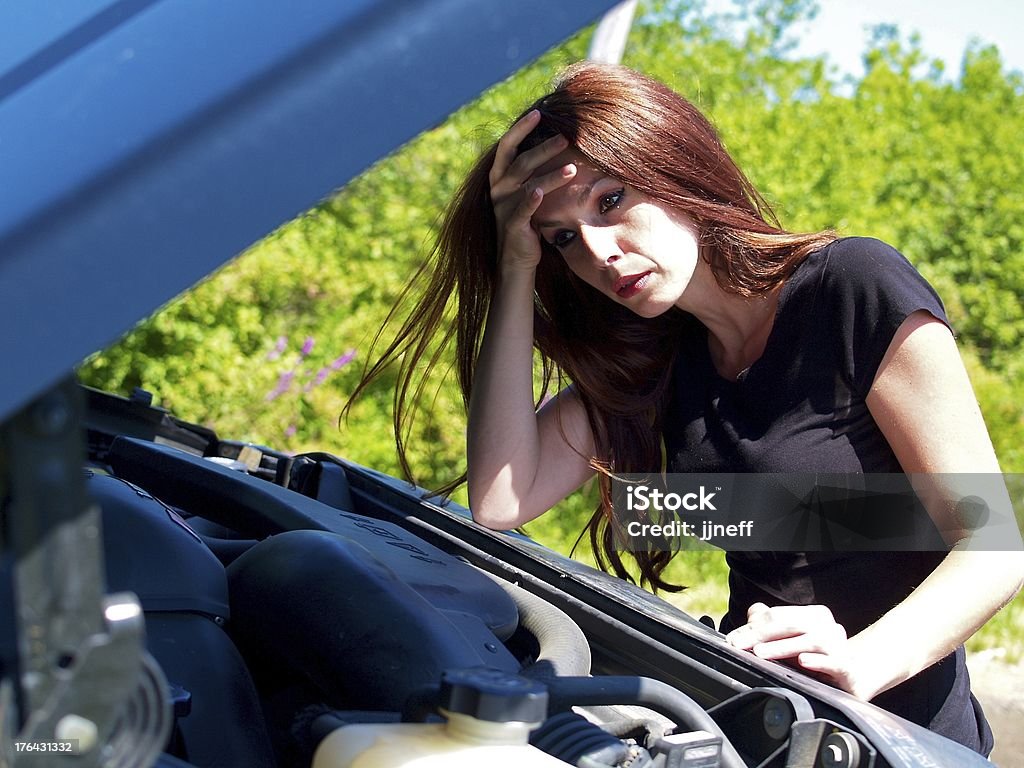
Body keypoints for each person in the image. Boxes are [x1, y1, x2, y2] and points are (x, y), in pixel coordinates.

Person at [349, 63, 1023, 754]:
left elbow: (995, 545)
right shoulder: (658, 360)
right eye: (562, 238)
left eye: (610, 201)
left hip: (901, 740)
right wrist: (516, 263)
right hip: (754, 722)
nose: (600, 252)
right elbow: (499, 499)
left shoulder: (851, 285)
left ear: (675, 165)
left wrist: (860, 662)